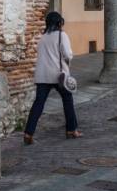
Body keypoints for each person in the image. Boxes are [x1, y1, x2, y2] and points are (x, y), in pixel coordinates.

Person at [23, 11, 82, 145]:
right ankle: (71, 130)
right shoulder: (62, 35)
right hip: (58, 76)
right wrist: (69, 58)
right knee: (67, 100)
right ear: (59, 22)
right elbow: (67, 55)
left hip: (42, 75)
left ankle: (28, 133)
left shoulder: (43, 37)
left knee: (38, 104)